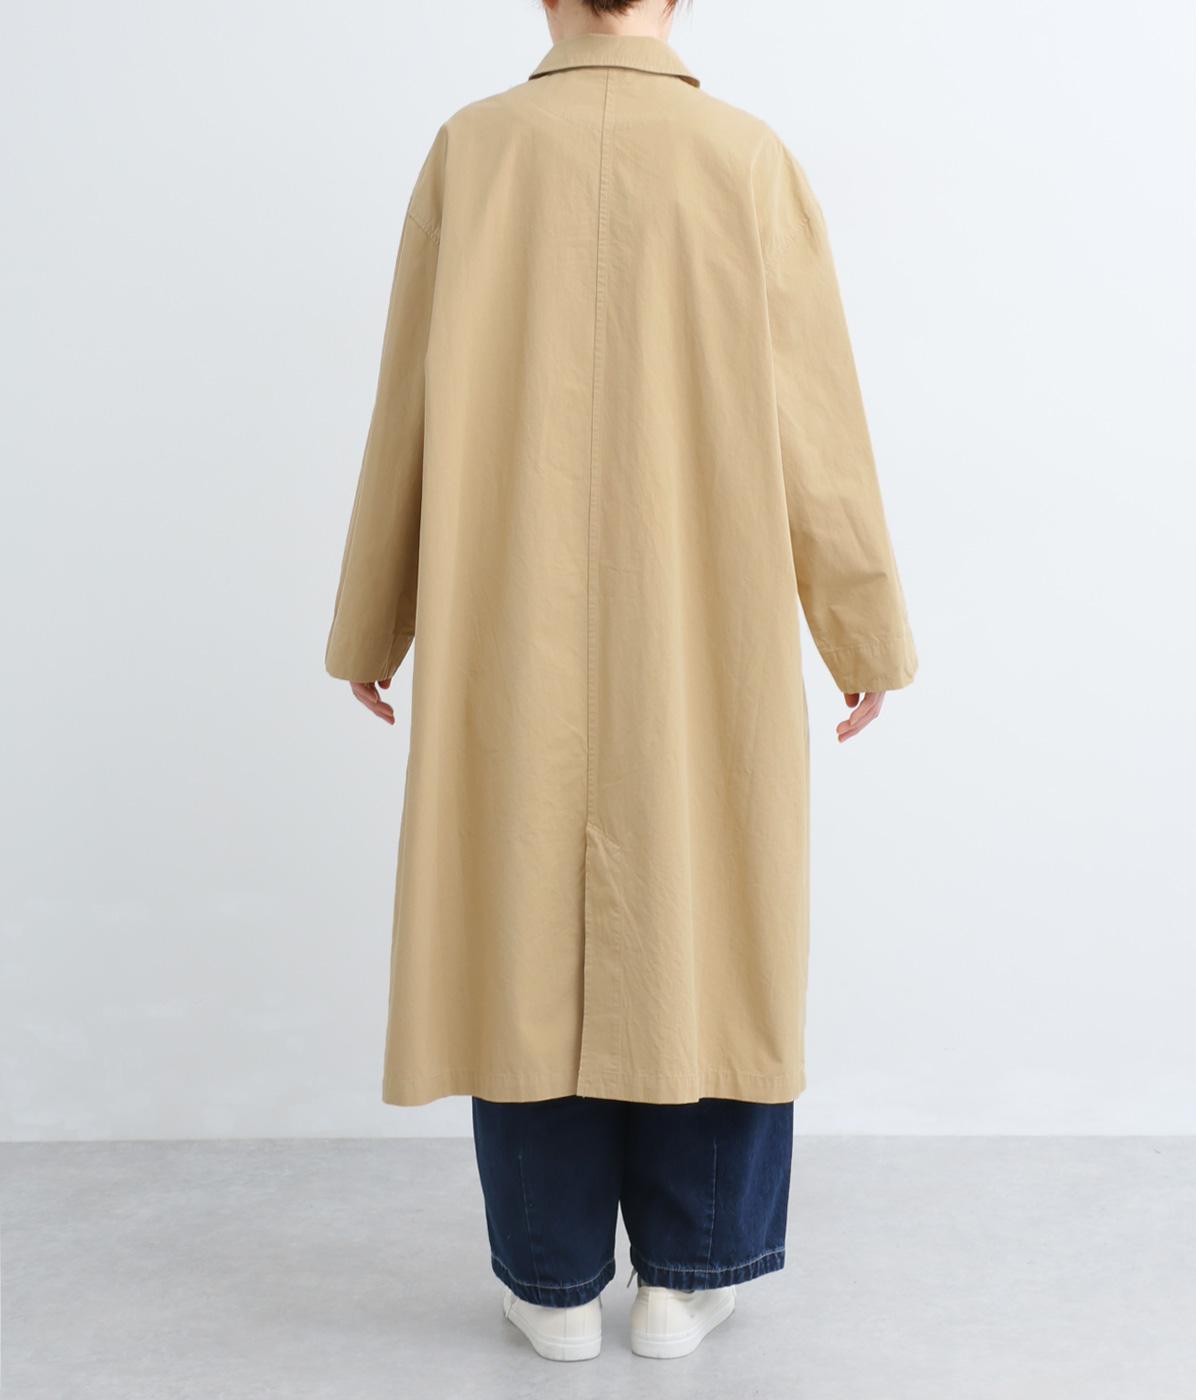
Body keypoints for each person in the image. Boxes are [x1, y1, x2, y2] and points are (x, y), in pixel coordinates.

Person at [325, 0, 916, 1364]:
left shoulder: (473, 151)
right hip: (699, 615)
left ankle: (548, 1281)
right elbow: (817, 424)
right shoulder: (746, 156)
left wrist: (372, 625)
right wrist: (864, 631)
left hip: (508, 613)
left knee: (520, 923)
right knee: (710, 918)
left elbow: (408, 402)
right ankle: (687, 1276)